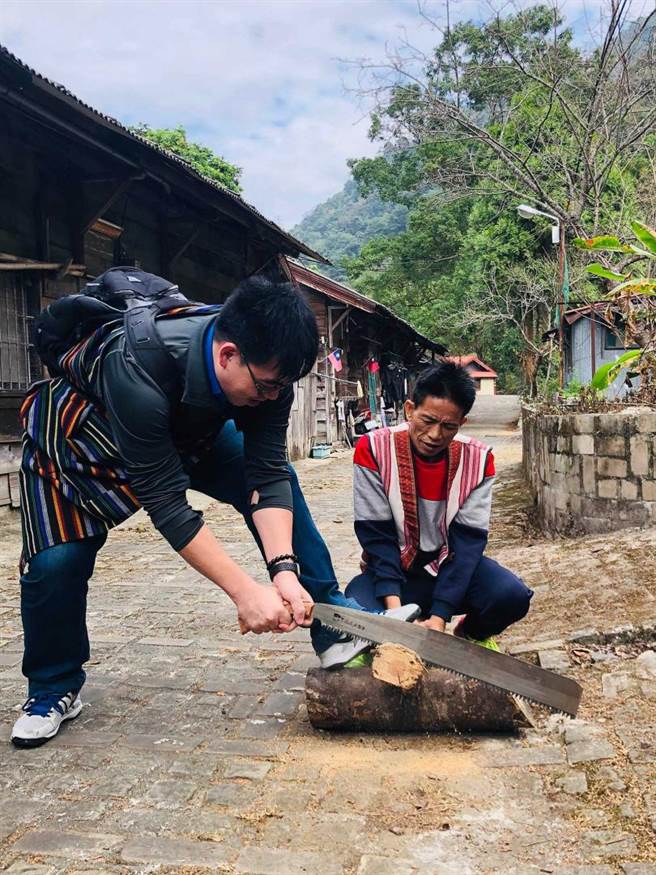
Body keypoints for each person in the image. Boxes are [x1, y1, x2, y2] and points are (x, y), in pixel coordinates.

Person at [11, 275, 416, 747]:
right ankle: (52, 687)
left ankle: (332, 623)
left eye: (280, 389)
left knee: (284, 483)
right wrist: (245, 592)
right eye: (265, 387)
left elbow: (266, 474)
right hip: (82, 440)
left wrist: (284, 571)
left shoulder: (267, 377)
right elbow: (167, 504)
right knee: (55, 563)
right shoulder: (136, 367)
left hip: (191, 431)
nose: (271, 397)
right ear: (227, 355)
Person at [341, 360, 533, 665]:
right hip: (398, 577)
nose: (434, 434)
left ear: (462, 424)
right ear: (408, 409)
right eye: (427, 420)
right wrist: (396, 615)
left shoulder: (479, 461)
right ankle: (384, 640)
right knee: (354, 609)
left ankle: (470, 635)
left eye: (448, 426)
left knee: (511, 596)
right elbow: (377, 538)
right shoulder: (373, 449)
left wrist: (440, 618)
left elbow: (467, 544)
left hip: (451, 573)